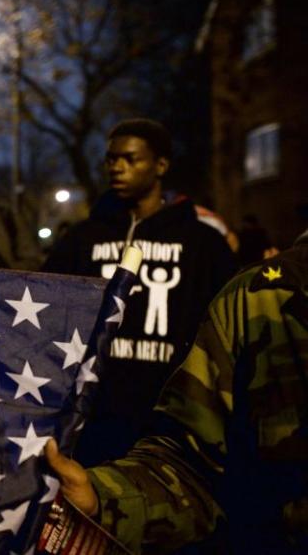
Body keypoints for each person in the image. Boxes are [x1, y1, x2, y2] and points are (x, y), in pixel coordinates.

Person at [46, 229, 308, 554]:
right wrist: (102, 496)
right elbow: (194, 466)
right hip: (110, 433)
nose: (119, 172)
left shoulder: (204, 245)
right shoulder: (261, 297)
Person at [43, 119, 236, 465]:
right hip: (95, 412)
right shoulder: (83, 238)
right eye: (112, 159)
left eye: (131, 159)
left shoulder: (200, 243)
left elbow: (225, 323)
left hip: (168, 414)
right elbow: (49, 306)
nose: (117, 168)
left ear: (161, 165)